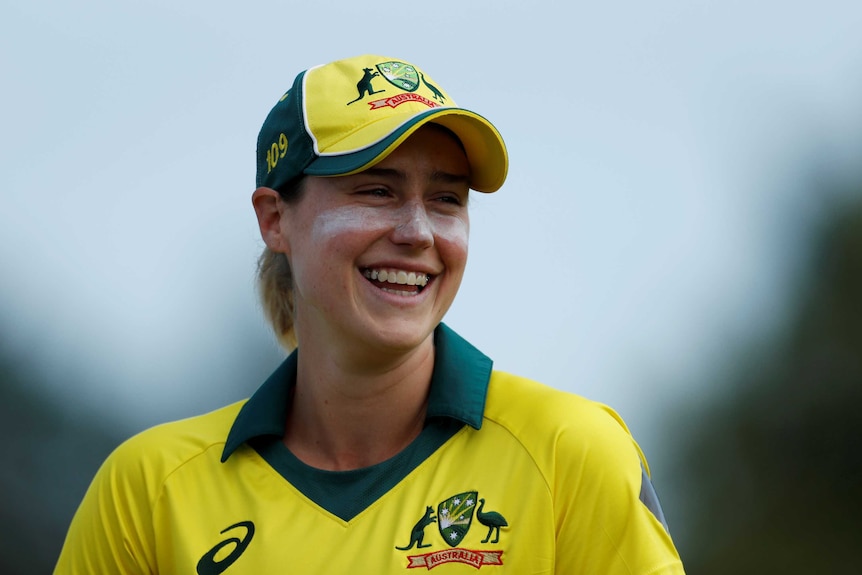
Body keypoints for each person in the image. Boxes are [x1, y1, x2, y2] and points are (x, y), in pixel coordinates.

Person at [55, 54, 685, 574]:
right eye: (376, 190)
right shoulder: (148, 490)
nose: (417, 232)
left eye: (446, 199)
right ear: (275, 219)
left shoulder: (570, 455)